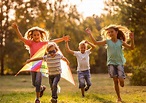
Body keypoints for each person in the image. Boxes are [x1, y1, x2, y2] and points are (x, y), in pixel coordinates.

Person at [12, 23, 69, 103]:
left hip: (41, 64)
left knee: (38, 82)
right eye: (34, 35)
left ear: (40, 35)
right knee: (34, 83)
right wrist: (16, 29)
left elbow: (53, 41)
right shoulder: (30, 43)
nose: (36, 36)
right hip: (33, 65)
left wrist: (62, 39)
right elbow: (21, 38)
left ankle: (37, 99)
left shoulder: (43, 43)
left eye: (37, 35)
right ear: (32, 36)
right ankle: (42, 88)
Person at [85, 24, 135, 102]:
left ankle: (121, 80)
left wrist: (132, 39)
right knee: (115, 81)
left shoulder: (120, 42)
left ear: (116, 32)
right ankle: (119, 97)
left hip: (119, 63)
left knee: (121, 81)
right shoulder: (107, 41)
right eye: (109, 32)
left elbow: (132, 48)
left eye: (112, 32)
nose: (110, 33)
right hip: (111, 63)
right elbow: (95, 43)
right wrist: (90, 34)